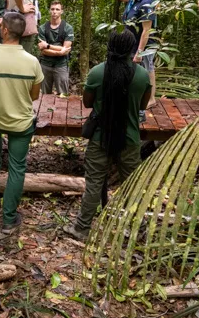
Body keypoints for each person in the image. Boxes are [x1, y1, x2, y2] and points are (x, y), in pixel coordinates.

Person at [63, 30, 151, 242]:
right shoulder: (141, 75)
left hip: (100, 138)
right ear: (131, 50)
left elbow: (87, 103)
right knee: (132, 184)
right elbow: (142, 105)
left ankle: (82, 228)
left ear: (109, 47)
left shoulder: (97, 72)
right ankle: (138, 228)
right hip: (130, 138)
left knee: (94, 183)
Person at [0, 11, 43, 233]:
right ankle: (9, 219)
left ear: (4, 30)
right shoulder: (32, 62)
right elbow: (34, 96)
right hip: (21, 123)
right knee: (17, 168)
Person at [122, 0, 158, 115]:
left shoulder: (146, 2)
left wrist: (140, 52)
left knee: (147, 69)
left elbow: (146, 30)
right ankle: (137, 97)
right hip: (132, 43)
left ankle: (151, 99)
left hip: (144, 45)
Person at [37, 0, 74, 96]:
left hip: (61, 65)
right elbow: (43, 51)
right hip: (45, 65)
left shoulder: (68, 28)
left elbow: (66, 49)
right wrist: (59, 52)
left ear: (61, 11)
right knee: (44, 96)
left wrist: (48, 46)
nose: (54, 11)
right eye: (52, 9)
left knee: (63, 95)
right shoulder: (43, 28)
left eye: (57, 9)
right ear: (50, 10)